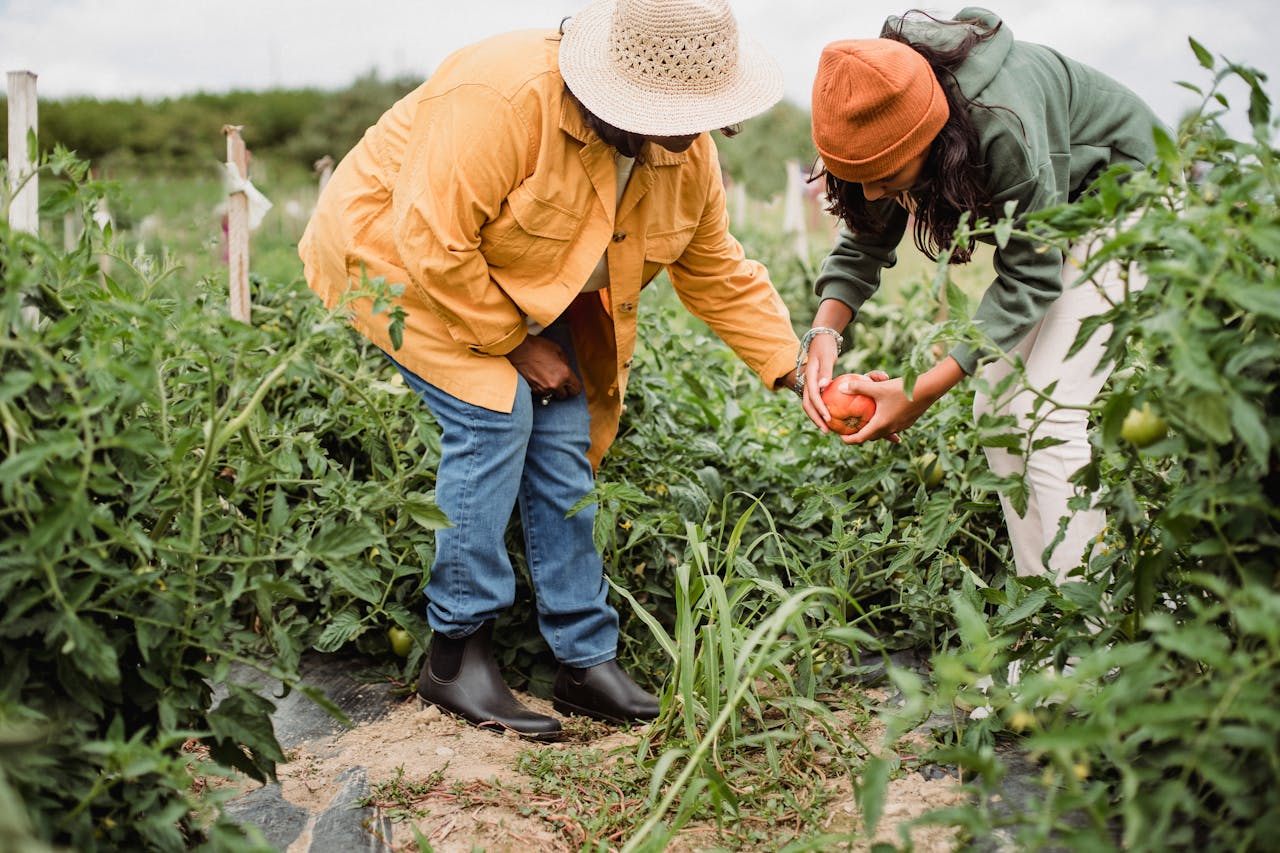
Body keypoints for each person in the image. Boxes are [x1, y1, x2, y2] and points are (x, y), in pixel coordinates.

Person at [298, 0, 803, 740]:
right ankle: (455, 653)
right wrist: (516, 342)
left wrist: (794, 369)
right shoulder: (503, 99)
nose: (690, 135)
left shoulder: (683, 152)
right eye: (675, 115)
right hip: (395, 260)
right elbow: (432, 242)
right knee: (495, 410)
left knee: (563, 434)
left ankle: (583, 659)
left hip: (516, 277)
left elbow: (716, 269)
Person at [798, 8, 1162, 582]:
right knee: (995, 409)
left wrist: (917, 392)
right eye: (857, 175)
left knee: (1047, 411)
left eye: (888, 176)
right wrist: (824, 332)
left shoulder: (1001, 123)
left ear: (933, 140)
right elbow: (864, 239)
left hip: (1130, 203)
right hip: (1065, 218)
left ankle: (1088, 643)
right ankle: (1040, 615)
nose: (871, 191)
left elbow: (1031, 277)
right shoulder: (879, 105)